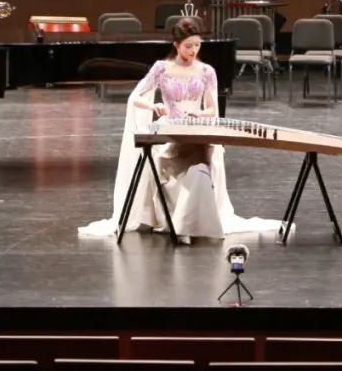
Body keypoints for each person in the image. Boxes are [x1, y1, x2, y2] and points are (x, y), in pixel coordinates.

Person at [78, 17, 280, 241]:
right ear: (176, 45)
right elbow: (135, 97)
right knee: (179, 156)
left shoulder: (206, 71)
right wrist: (153, 105)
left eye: (197, 45)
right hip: (171, 128)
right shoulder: (162, 68)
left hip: (196, 127)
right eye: (188, 46)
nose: (193, 50)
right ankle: (181, 221)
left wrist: (199, 114)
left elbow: (211, 109)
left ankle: (193, 222)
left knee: (203, 156)